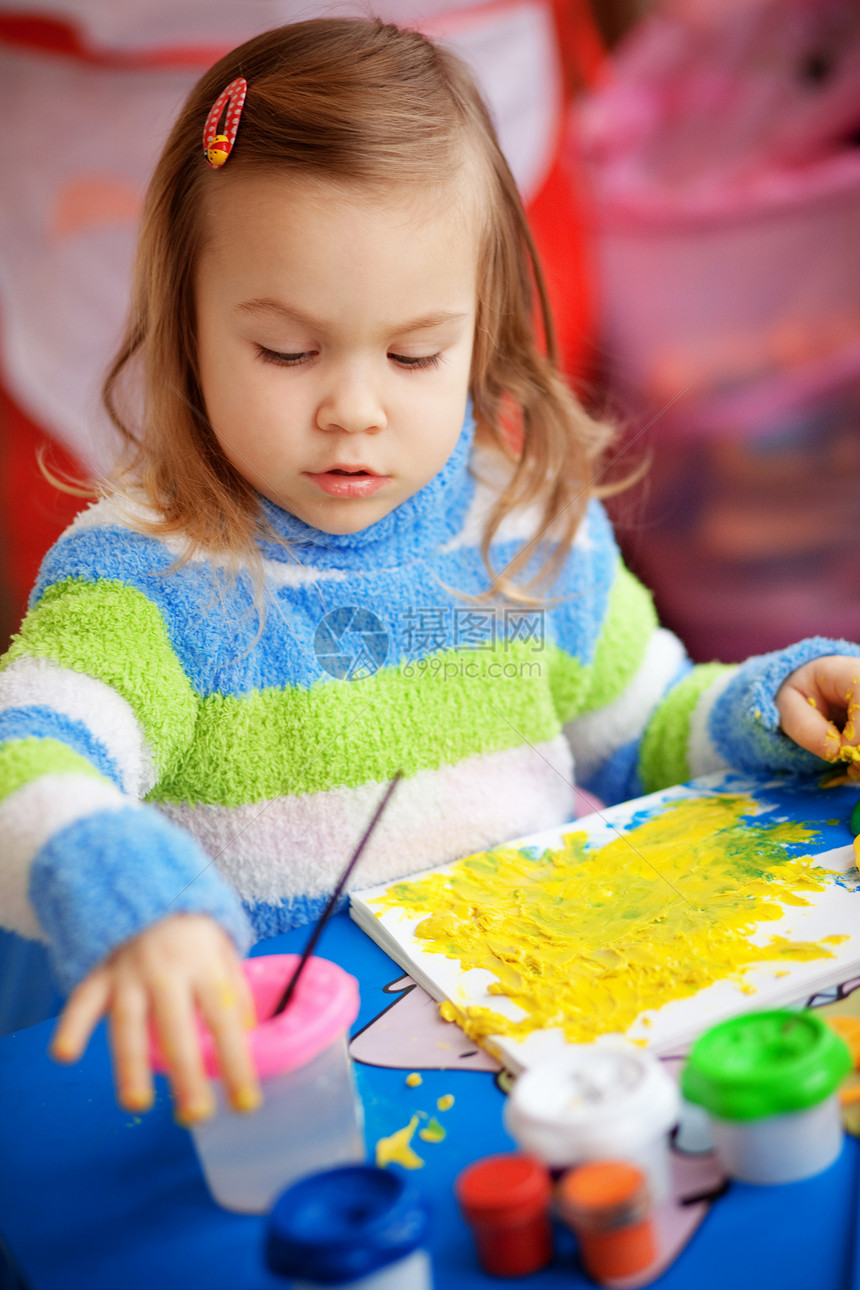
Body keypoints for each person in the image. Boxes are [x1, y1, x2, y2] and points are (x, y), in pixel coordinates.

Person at [0, 17, 858, 1127]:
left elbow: (638, 726)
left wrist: (764, 708)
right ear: (187, 323)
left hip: (544, 1081)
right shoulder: (150, 576)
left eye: (414, 354)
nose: (353, 408)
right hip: (281, 1105)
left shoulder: (521, 526)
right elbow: (30, 750)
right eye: (284, 350)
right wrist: (123, 895)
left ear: (481, 327)